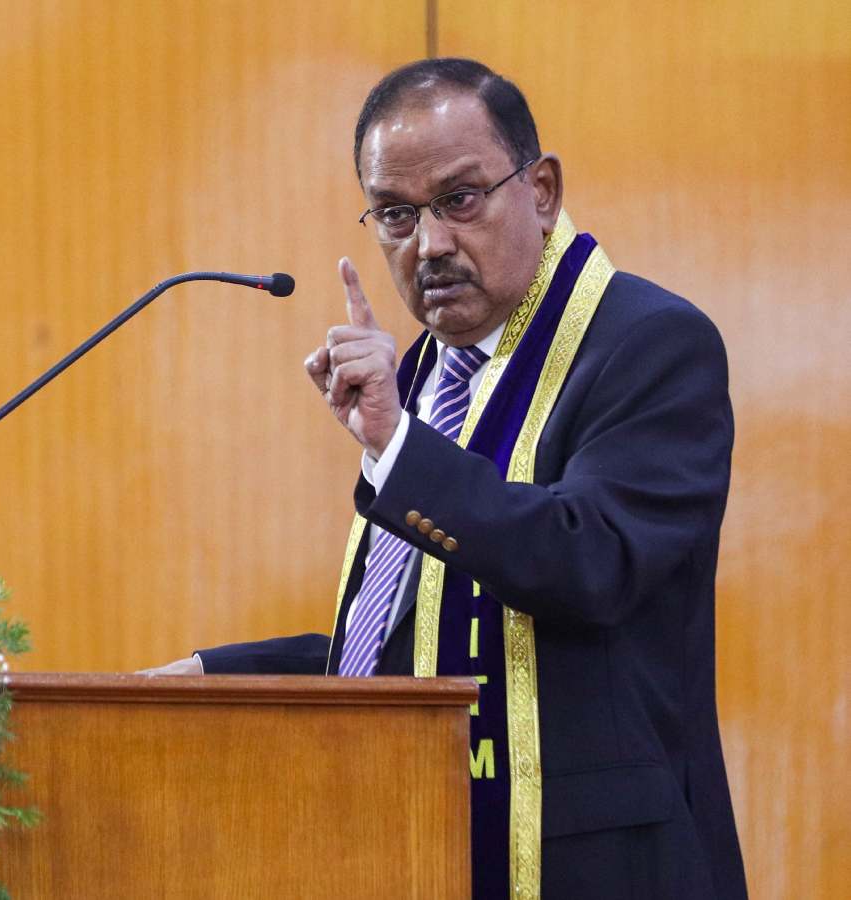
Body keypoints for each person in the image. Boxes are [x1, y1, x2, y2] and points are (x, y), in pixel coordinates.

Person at [144, 58, 748, 899]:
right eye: (395, 214)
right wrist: (214, 677)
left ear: (541, 190)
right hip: (427, 847)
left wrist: (398, 445)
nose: (428, 245)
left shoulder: (649, 345)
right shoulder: (431, 372)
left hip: (593, 866)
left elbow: (589, 561)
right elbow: (420, 641)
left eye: (460, 200)